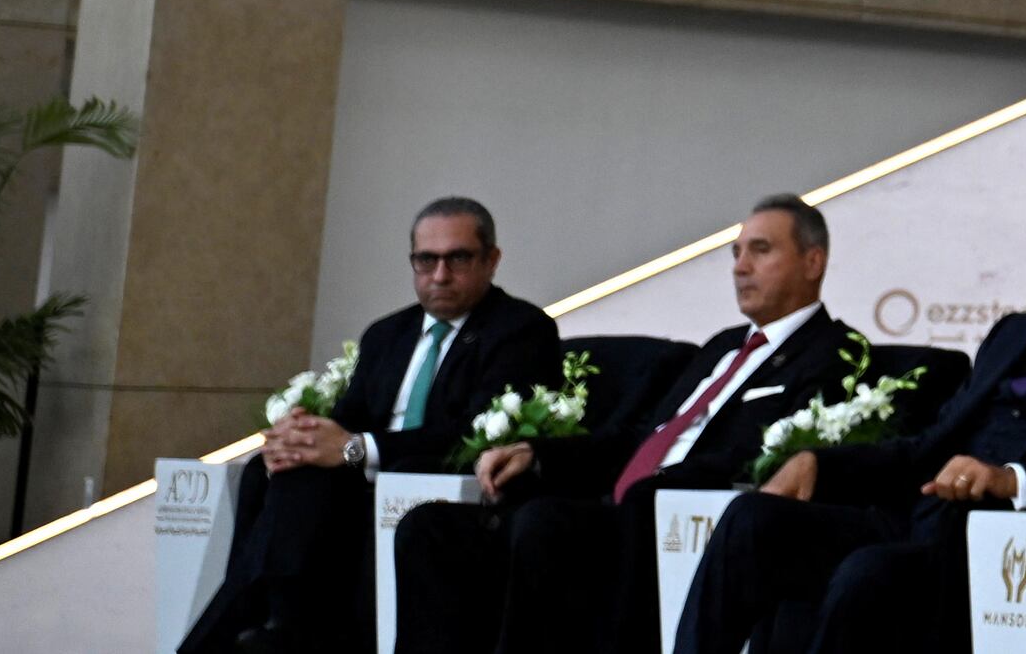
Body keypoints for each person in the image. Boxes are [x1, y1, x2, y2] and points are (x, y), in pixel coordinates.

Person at [679, 172, 1026, 653]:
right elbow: (927, 445)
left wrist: (1012, 480)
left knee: (871, 574)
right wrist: (821, 461)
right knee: (752, 519)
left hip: (992, 538)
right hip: (914, 515)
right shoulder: (1016, 334)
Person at [397, 195, 855, 654]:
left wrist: (659, 484)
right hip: (617, 508)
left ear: (812, 261)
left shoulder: (835, 352)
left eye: (760, 250)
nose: (740, 267)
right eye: (736, 253)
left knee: (547, 523)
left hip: (678, 517)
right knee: (432, 526)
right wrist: (536, 455)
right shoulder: (721, 347)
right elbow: (639, 439)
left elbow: (768, 455)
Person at [182, 198, 562, 654]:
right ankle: (280, 620)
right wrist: (303, 436)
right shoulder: (388, 334)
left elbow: (469, 435)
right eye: (427, 260)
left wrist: (353, 450)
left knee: (309, 485)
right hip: (360, 482)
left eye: (457, 258)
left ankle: (269, 622)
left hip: (437, 485)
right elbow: (349, 417)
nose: (440, 275)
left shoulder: (520, 330)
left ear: (491, 260)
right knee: (281, 468)